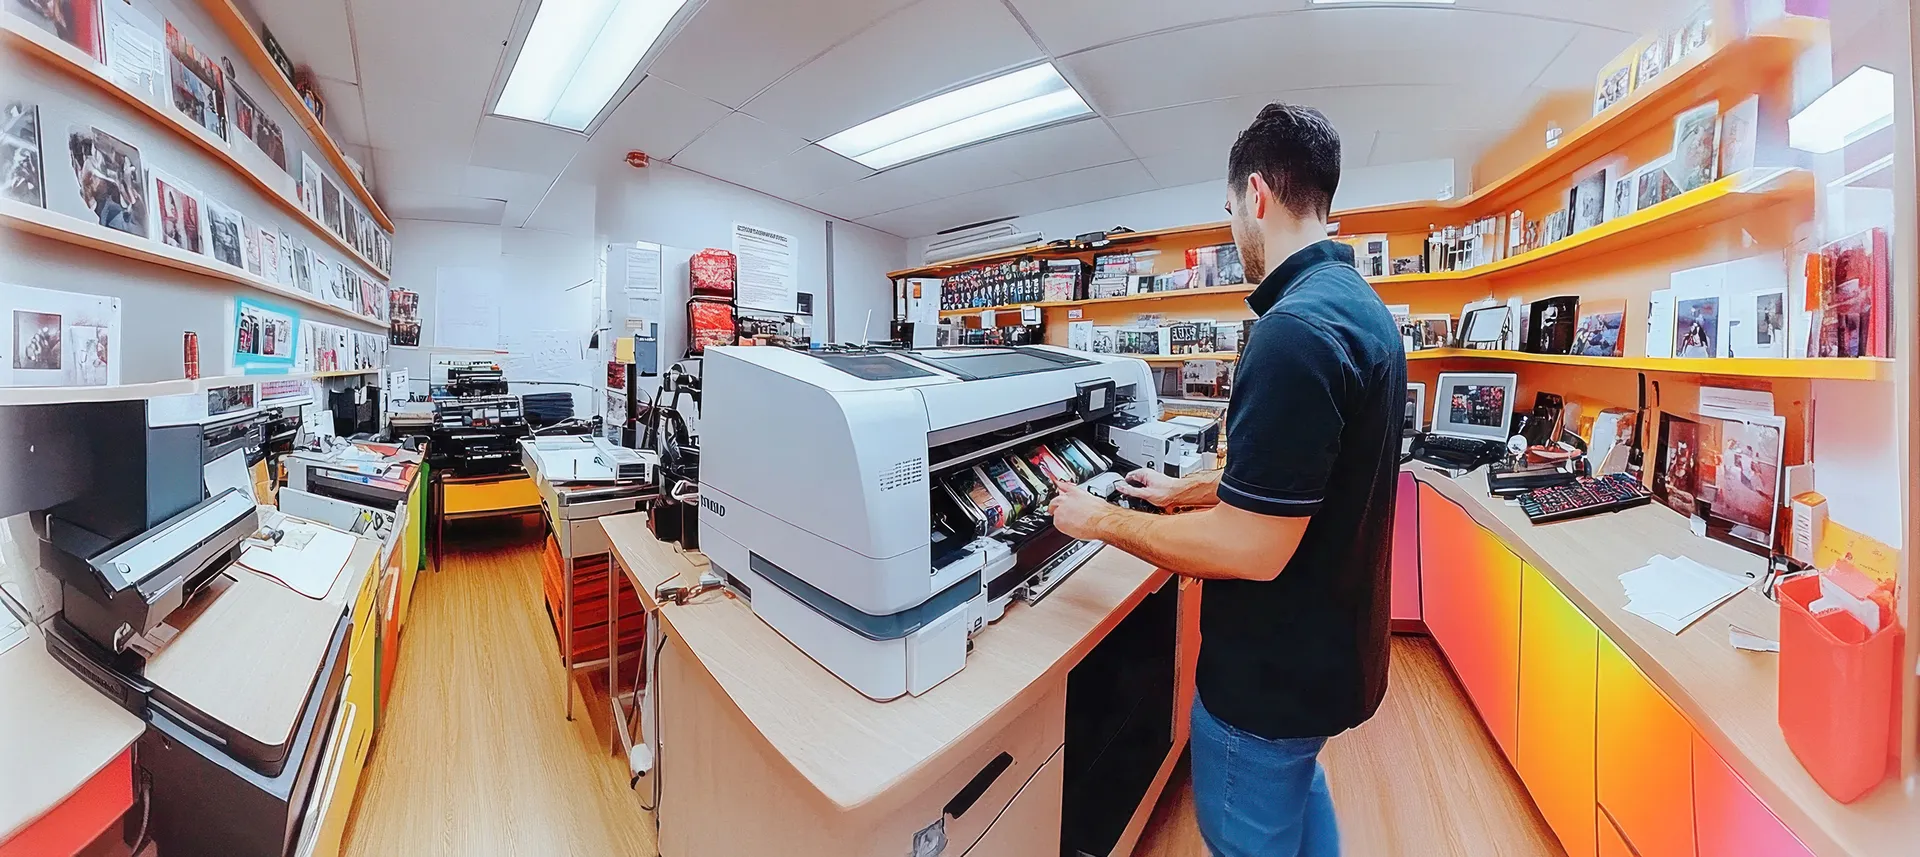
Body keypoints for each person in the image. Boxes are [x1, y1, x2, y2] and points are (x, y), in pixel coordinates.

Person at [1049, 103, 1406, 857]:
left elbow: (1251, 548)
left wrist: (1098, 519)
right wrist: (1187, 492)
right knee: (1299, 789)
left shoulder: (1292, 333)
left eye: (1229, 210)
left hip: (1267, 686)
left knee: (1244, 831)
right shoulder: (1359, 307)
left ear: (1256, 195)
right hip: (1330, 659)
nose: (1231, 227)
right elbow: (1307, 478)